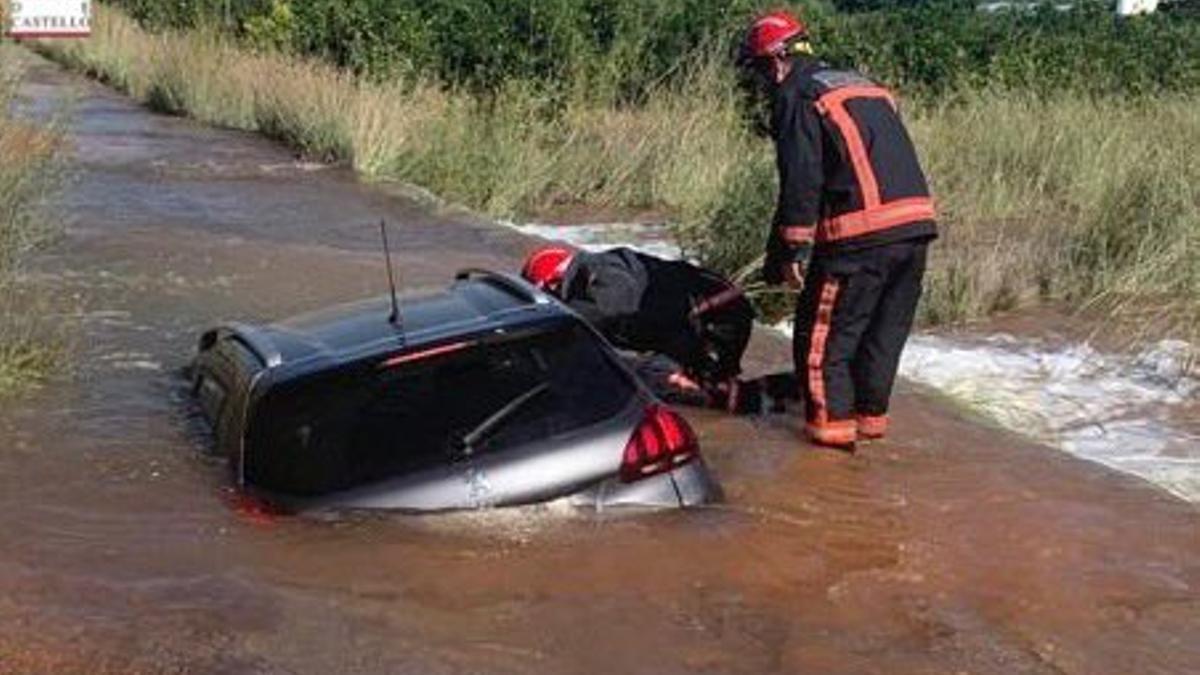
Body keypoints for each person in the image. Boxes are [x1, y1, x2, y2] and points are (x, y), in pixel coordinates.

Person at [738, 10, 938, 448]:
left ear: (774, 62)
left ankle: (829, 466)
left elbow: (802, 178)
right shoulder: (863, 83)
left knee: (821, 348)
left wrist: (794, 251)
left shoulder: (795, 93)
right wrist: (778, 258)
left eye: (758, 72)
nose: (761, 85)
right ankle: (869, 442)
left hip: (858, 236)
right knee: (879, 339)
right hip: (916, 227)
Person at [520, 245, 757, 410]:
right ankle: (753, 401)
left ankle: (759, 404)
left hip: (719, 317)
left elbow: (612, 304)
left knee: (657, 379)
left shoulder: (601, 270)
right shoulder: (599, 268)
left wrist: (561, 327)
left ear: (553, 283)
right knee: (702, 382)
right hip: (715, 314)